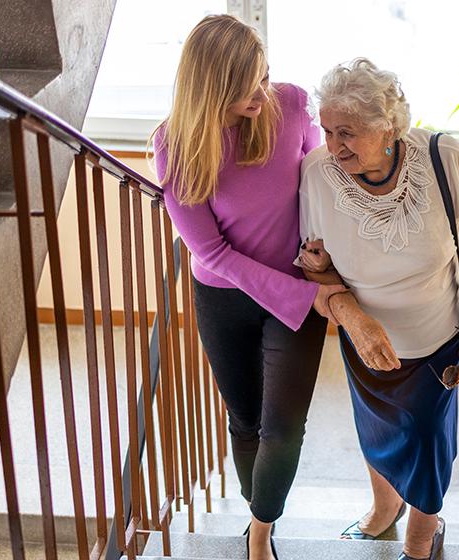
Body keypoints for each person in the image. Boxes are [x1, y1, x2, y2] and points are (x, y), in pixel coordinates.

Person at [152, 15, 346, 560]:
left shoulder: (289, 104)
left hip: (296, 288)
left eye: (265, 76)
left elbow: (320, 178)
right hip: (225, 297)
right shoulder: (175, 146)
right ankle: (258, 504)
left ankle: (260, 531)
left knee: (283, 427)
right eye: (248, 87)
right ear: (212, 87)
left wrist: (320, 253)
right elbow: (211, 252)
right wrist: (308, 297)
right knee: (245, 421)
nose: (263, 92)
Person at [296, 58, 459, 560]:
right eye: (326, 130)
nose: (333, 145)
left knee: (427, 438)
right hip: (364, 339)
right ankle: (384, 510)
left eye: (348, 131)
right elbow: (315, 265)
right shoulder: (317, 174)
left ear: (388, 126)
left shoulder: (442, 156)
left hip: (439, 338)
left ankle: (420, 536)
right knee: (378, 428)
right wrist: (351, 316)